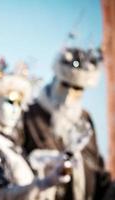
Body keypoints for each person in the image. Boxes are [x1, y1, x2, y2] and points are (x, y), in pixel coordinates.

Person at [0, 59, 71, 200]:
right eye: (10, 102)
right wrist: (43, 184)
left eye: (19, 103)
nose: (16, 110)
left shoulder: (6, 141)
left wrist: (46, 162)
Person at [23, 47, 111, 200]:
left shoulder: (85, 119)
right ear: (55, 78)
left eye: (77, 88)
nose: (70, 93)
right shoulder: (30, 115)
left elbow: (98, 169)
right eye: (65, 84)